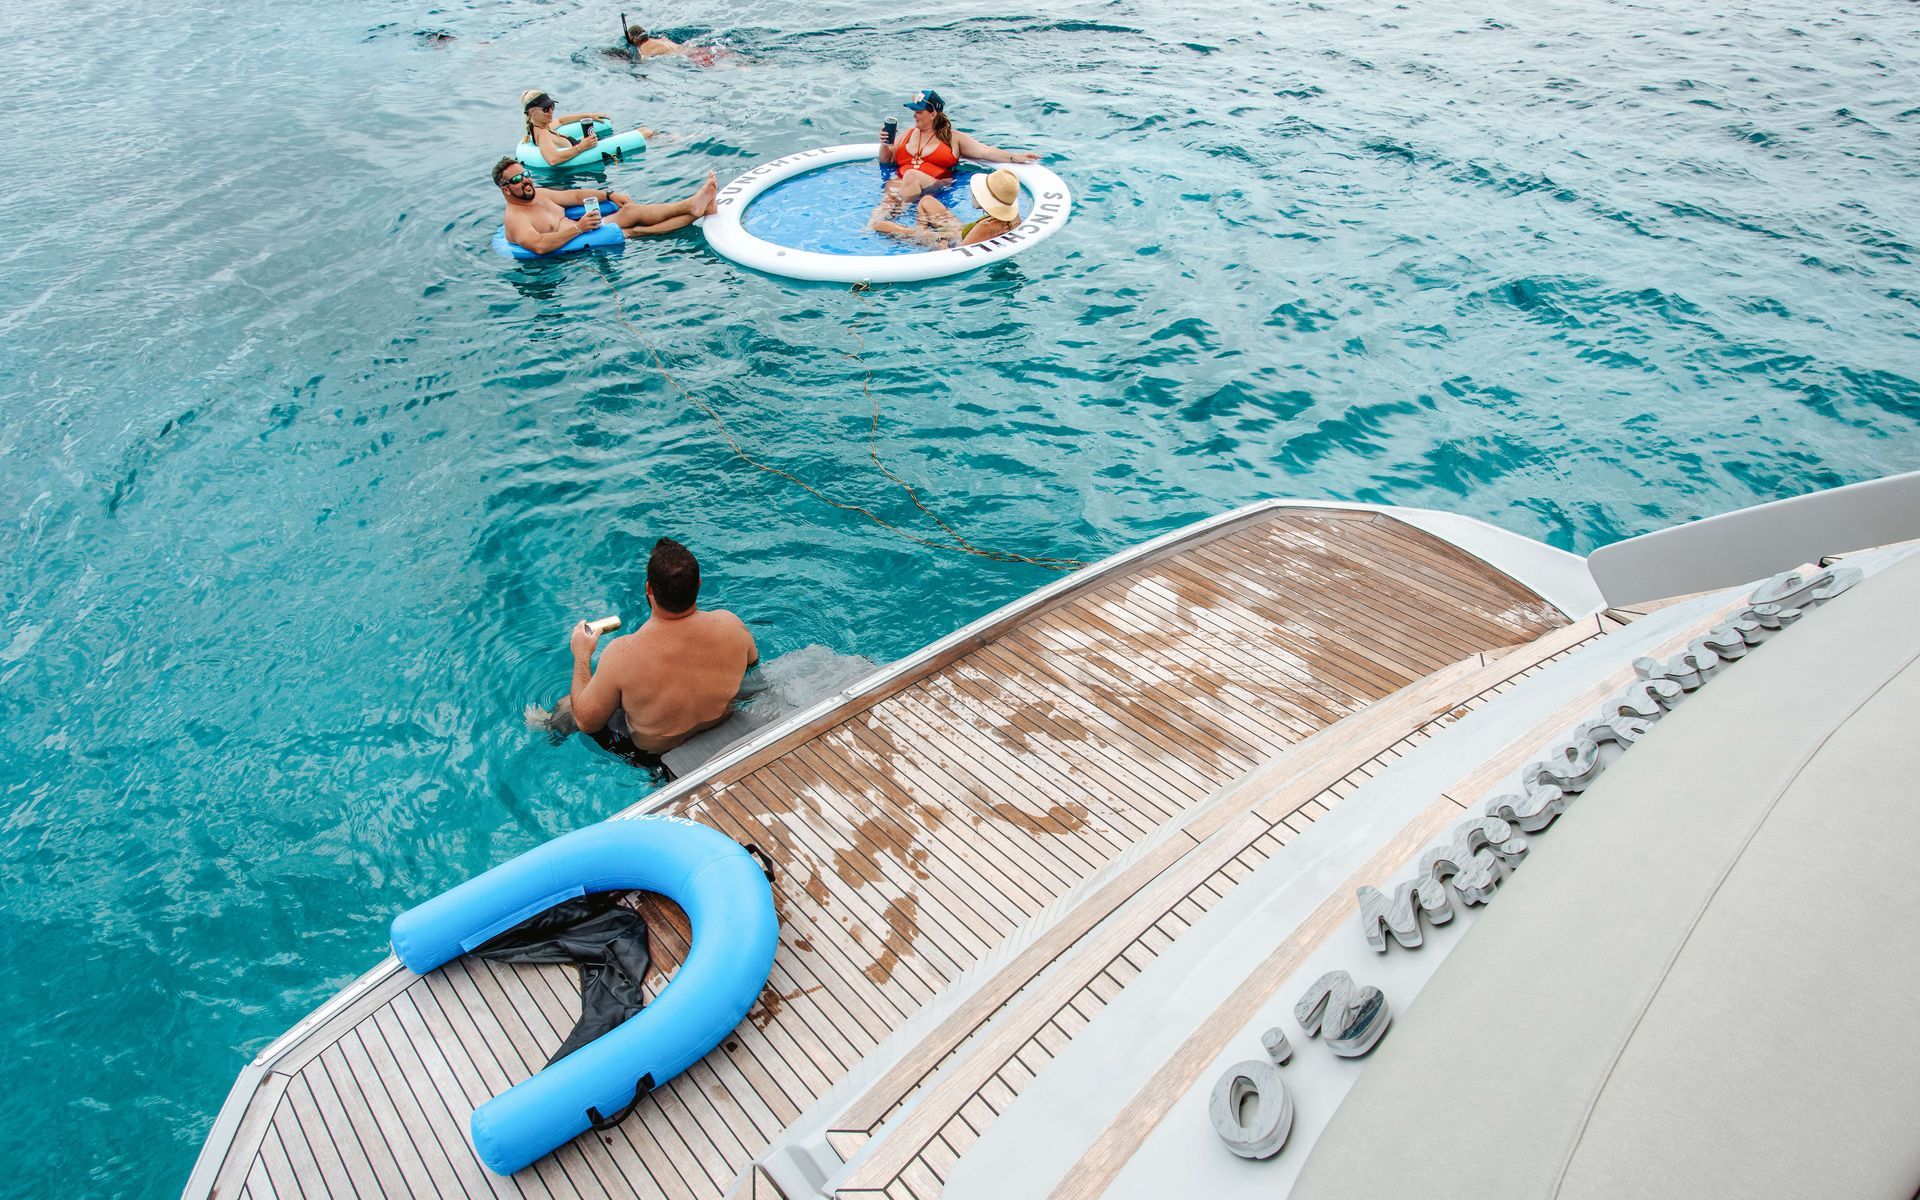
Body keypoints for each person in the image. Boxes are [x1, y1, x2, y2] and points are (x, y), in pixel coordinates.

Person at [559, 538, 759, 770]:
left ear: (648, 589)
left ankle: (542, 724)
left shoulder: (622, 654)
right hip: (721, 725)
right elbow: (752, 670)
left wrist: (582, 654)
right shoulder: (732, 625)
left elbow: (586, 722)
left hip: (656, 756)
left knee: (568, 706)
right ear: (699, 584)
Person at [493, 157, 717, 252]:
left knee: (630, 210)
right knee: (634, 230)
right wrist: (579, 227)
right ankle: (696, 209)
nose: (525, 181)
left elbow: (574, 196)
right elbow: (540, 245)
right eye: (516, 180)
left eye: (526, 175)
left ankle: (694, 206)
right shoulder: (516, 219)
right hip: (573, 242)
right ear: (505, 189)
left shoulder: (539, 195)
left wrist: (609, 195)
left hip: (578, 228)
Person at [875, 89, 1040, 205]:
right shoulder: (907, 134)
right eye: (914, 111)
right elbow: (886, 161)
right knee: (891, 189)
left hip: (934, 186)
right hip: (902, 184)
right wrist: (884, 144)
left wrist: (1014, 157)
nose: (914, 115)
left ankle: (901, 213)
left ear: (933, 114)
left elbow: (985, 152)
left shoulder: (953, 138)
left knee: (910, 175)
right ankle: (875, 225)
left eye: (919, 111)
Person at [872, 165, 1024, 248]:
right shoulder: (1013, 218)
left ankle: (919, 231)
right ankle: (921, 228)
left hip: (949, 239)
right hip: (959, 230)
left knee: (880, 225)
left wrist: (939, 242)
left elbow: (957, 253)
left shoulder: (985, 227)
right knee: (926, 200)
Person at [520, 90, 651, 167]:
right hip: (586, 151)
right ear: (532, 112)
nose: (551, 112)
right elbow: (552, 159)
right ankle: (668, 140)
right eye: (545, 109)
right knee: (646, 133)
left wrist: (588, 115)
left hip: (585, 146)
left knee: (643, 130)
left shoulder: (540, 127)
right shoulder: (542, 133)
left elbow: (560, 121)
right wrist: (581, 147)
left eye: (552, 106)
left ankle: (666, 139)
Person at [623, 23, 724, 66]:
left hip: (685, 56)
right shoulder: (662, 39)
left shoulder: (643, 49)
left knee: (714, 65)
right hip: (691, 48)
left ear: (635, 40)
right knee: (720, 54)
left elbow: (642, 62)